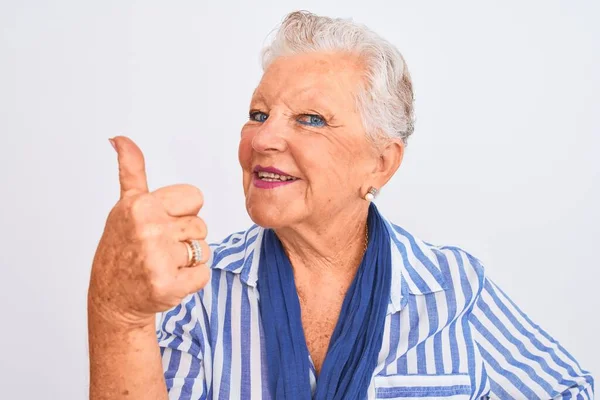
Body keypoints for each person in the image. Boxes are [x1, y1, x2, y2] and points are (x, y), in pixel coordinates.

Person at [87, 10, 594, 400]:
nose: (263, 138)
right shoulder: (199, 291)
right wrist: (119, 313)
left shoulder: (452, 286)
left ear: (380, 164)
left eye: (310, 119)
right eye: (258, 113)